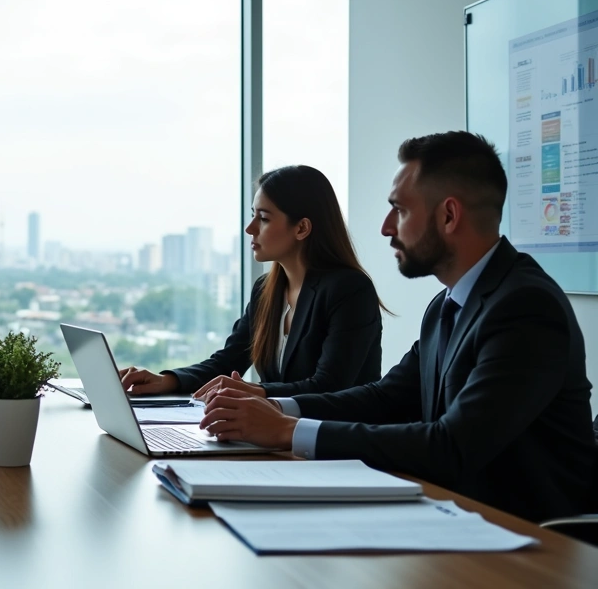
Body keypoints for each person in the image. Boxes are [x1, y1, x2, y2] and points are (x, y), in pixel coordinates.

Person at [198, 131, 595, 522]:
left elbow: (451, 445)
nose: (387, 227)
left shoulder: (525, 307)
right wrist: (273, 408)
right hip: (459, 519)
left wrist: (288, 431)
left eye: (400, 211)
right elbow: (387, 397)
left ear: (448, 215)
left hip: (533, 542)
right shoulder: (447, 304)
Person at [119, 165, 385, 398]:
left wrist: (255, 392)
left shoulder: (349, 290)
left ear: (302, 228)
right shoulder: (266, 290)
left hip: (332, 444)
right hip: (275, 439)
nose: (250, 228)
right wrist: (167, 380)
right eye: (253, 214)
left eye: (264, 218)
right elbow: (227, 362)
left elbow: (330, 387)